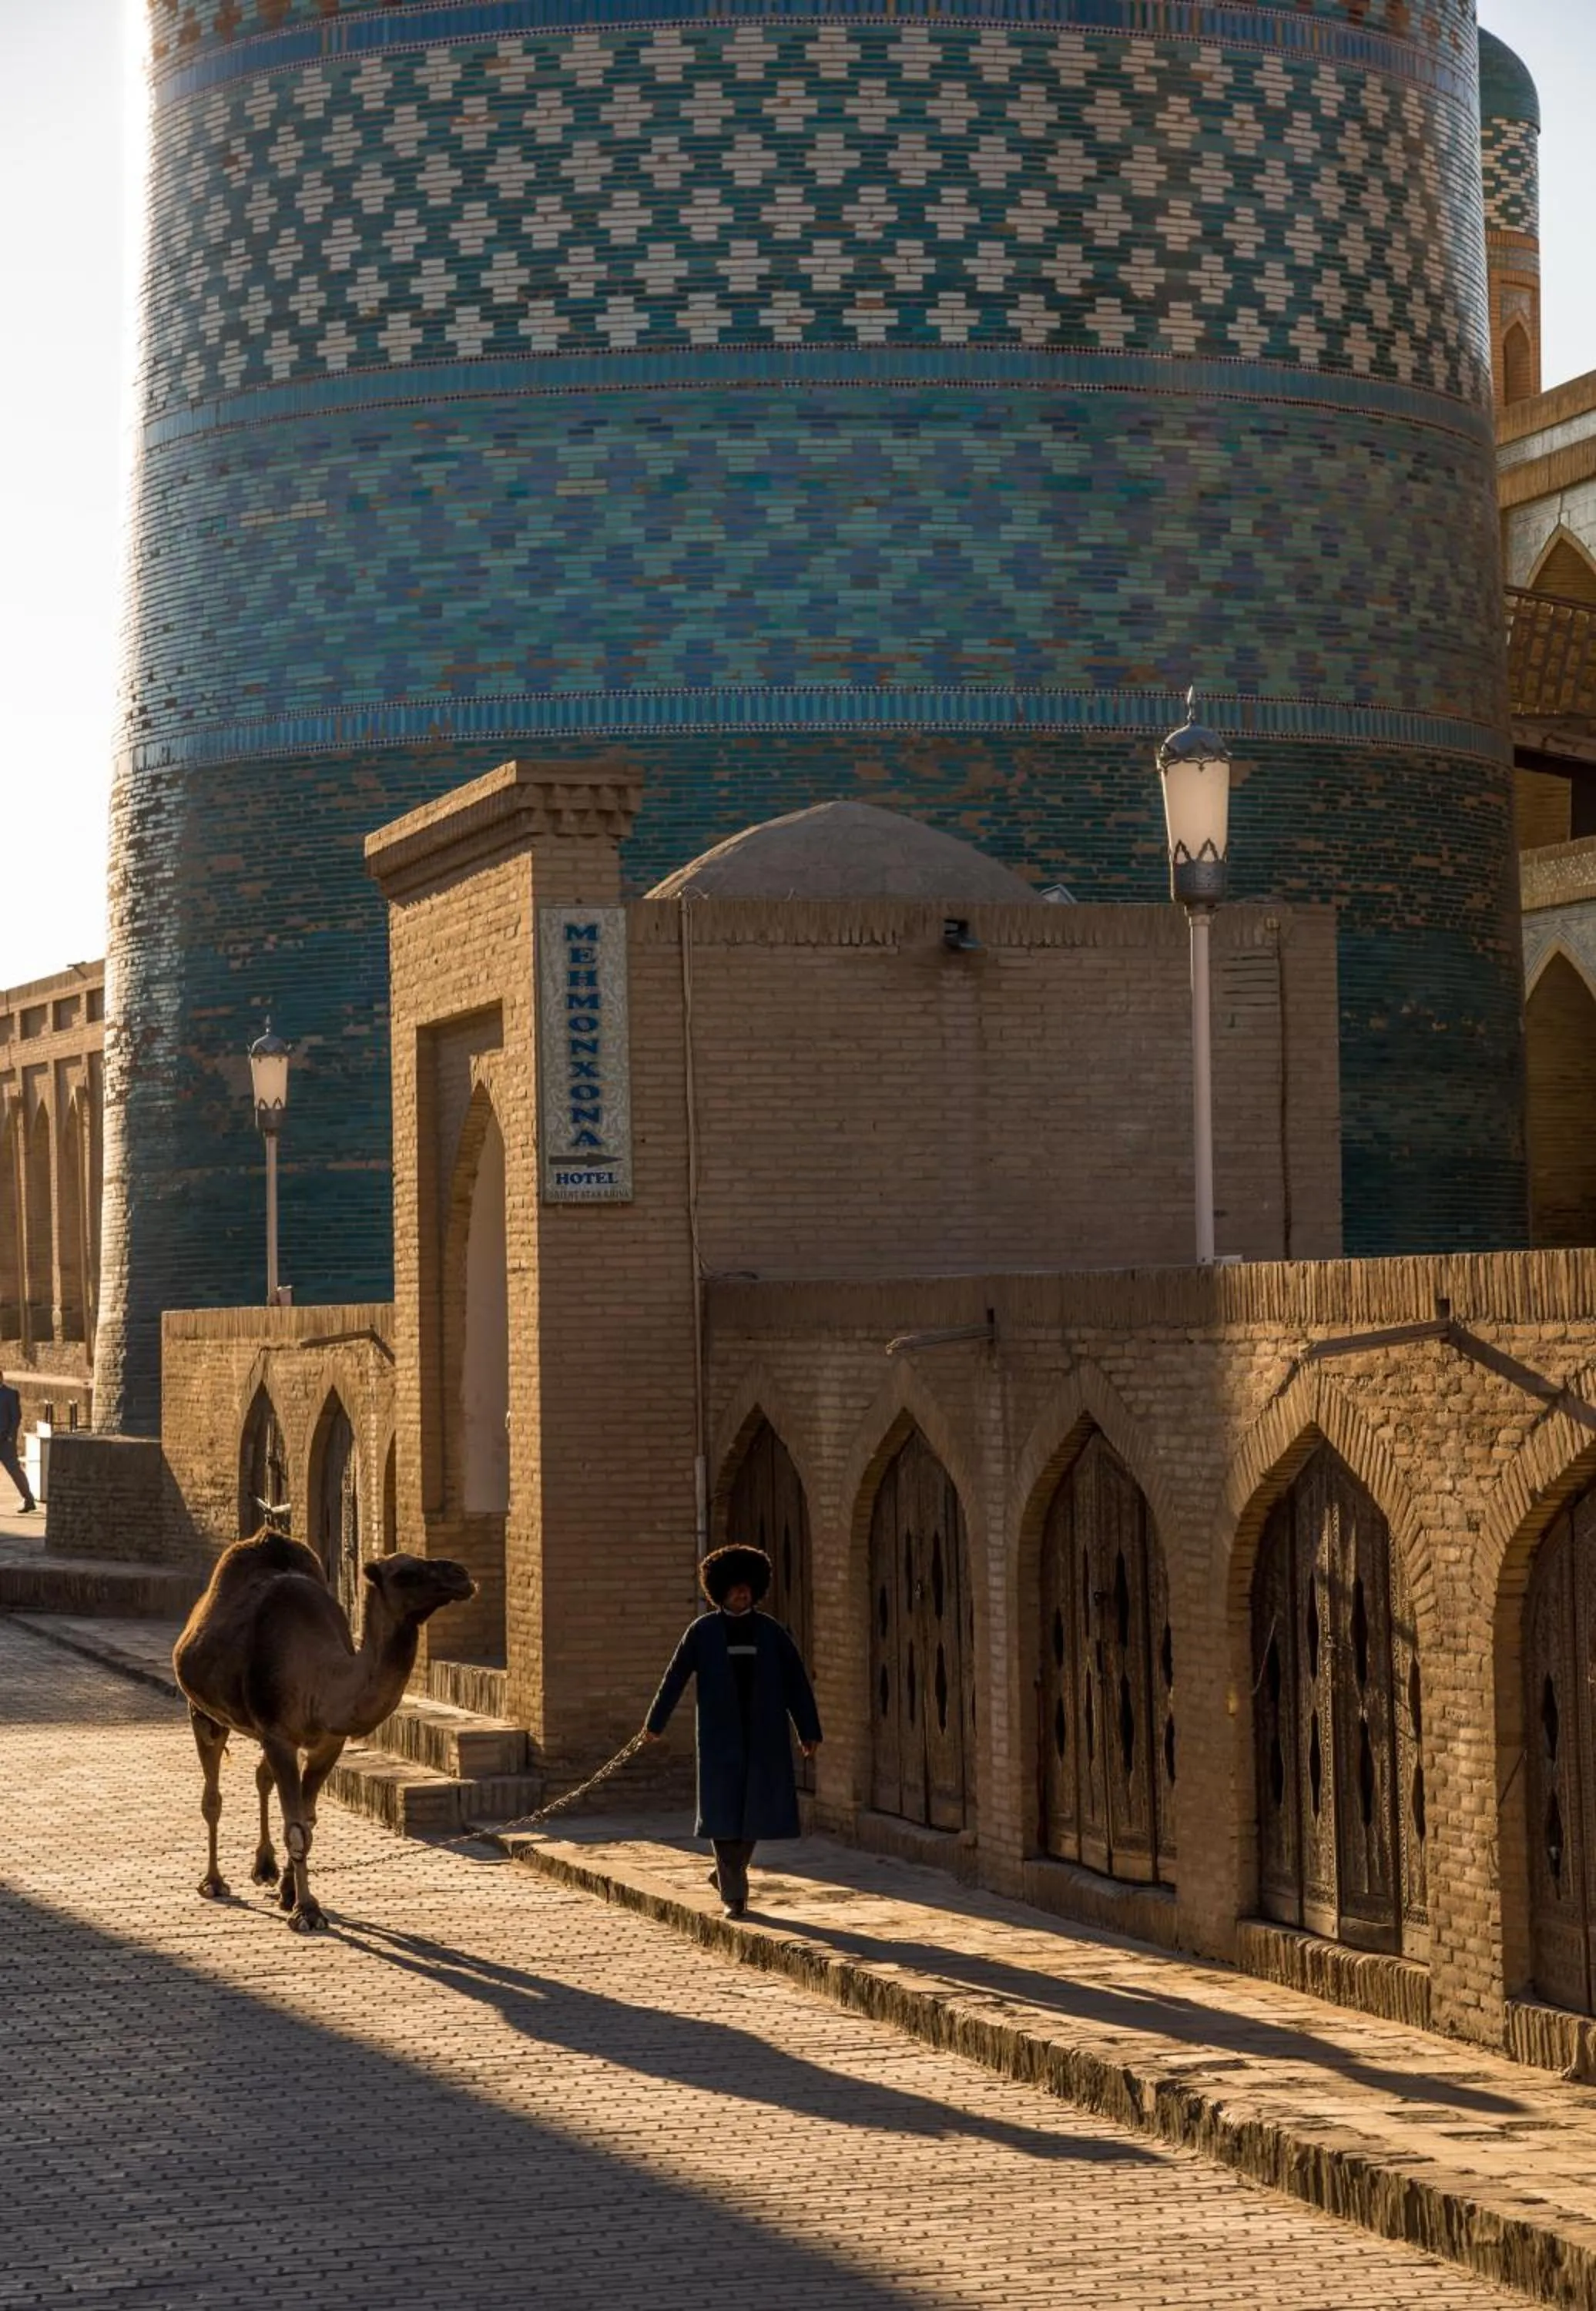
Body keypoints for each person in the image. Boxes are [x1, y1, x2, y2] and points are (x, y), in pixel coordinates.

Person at [642, 1542, 821, 1918]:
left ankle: (727, 1874)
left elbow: (796, 1682)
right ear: (720, 1591)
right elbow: (674, 1678)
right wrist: (654, 1724)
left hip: (764, 1736)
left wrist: (808, 1730)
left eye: (747, 1588)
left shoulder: (771, 1632)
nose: (742, 1593)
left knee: (757, 1810)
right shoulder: (702, 1632)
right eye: (735, 1588)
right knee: (724, 1813)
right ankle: (735, 1896)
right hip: (720, 1737)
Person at [0, 1371, 35, 1514]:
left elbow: (16, 1418)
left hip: (5, 1441)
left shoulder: (11, 1394)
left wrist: (11, 1437)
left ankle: (29, 1500)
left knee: (15, 1472)